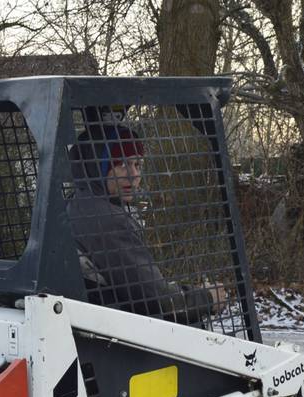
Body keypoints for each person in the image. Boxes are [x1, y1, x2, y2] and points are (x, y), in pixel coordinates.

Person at [66, 121, 220, 325]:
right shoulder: (107, 220)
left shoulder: (76, 203)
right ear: (97, 167)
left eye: (137, 164)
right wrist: (207, 299)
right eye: (122, 164)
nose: (134, 174)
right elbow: (155, 297)